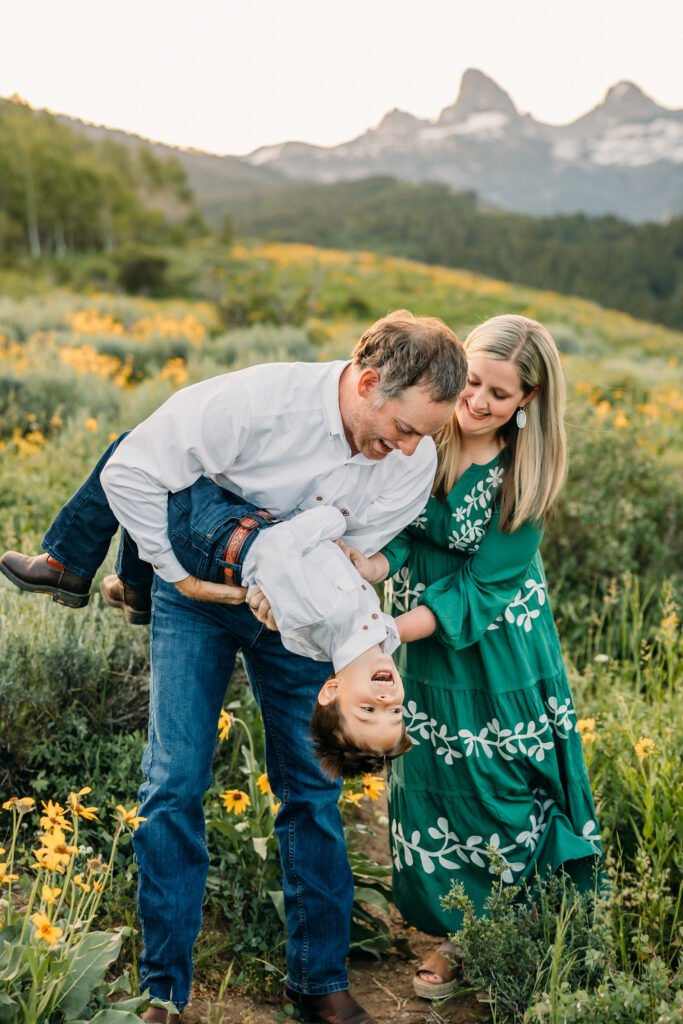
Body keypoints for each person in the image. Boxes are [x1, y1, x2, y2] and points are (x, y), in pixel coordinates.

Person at [3, 310, 467, 1024]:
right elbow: (129, 471)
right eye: (404, 427)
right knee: (173, 782)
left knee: (312, 793)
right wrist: (176, 579)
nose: (410, 448)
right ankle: (164, 992)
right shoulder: (254, 402)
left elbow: (357, 545)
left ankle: (319, 984)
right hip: (198, 597)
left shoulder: (412, 460)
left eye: (425, 435)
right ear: (369, 383)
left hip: (301, 628)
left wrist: (316, 590)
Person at [341, 315, 602, 1000]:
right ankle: (453, 922)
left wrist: (388, 631)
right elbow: (402, 530)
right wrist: (371, 562)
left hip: (494, 646)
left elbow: (482, 587)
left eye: (499, 393)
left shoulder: (523, 475)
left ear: (528, 403)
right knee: (431, 775)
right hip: (423, 640)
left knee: (498, 781)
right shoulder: (426, 435)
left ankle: (487, 936)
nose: (477, 401)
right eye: (473, 382)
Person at [1, 454, 412, 776]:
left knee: (138, 462)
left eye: (367, 711)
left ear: (330, 691)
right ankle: (132, 584)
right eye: (394, 712)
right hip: (240, 535)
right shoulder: (379, 636)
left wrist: (331, 519)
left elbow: (275, 553)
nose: (384, 700)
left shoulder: (322, 619)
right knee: (154, 477)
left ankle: (81, 568)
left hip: (228, 543)